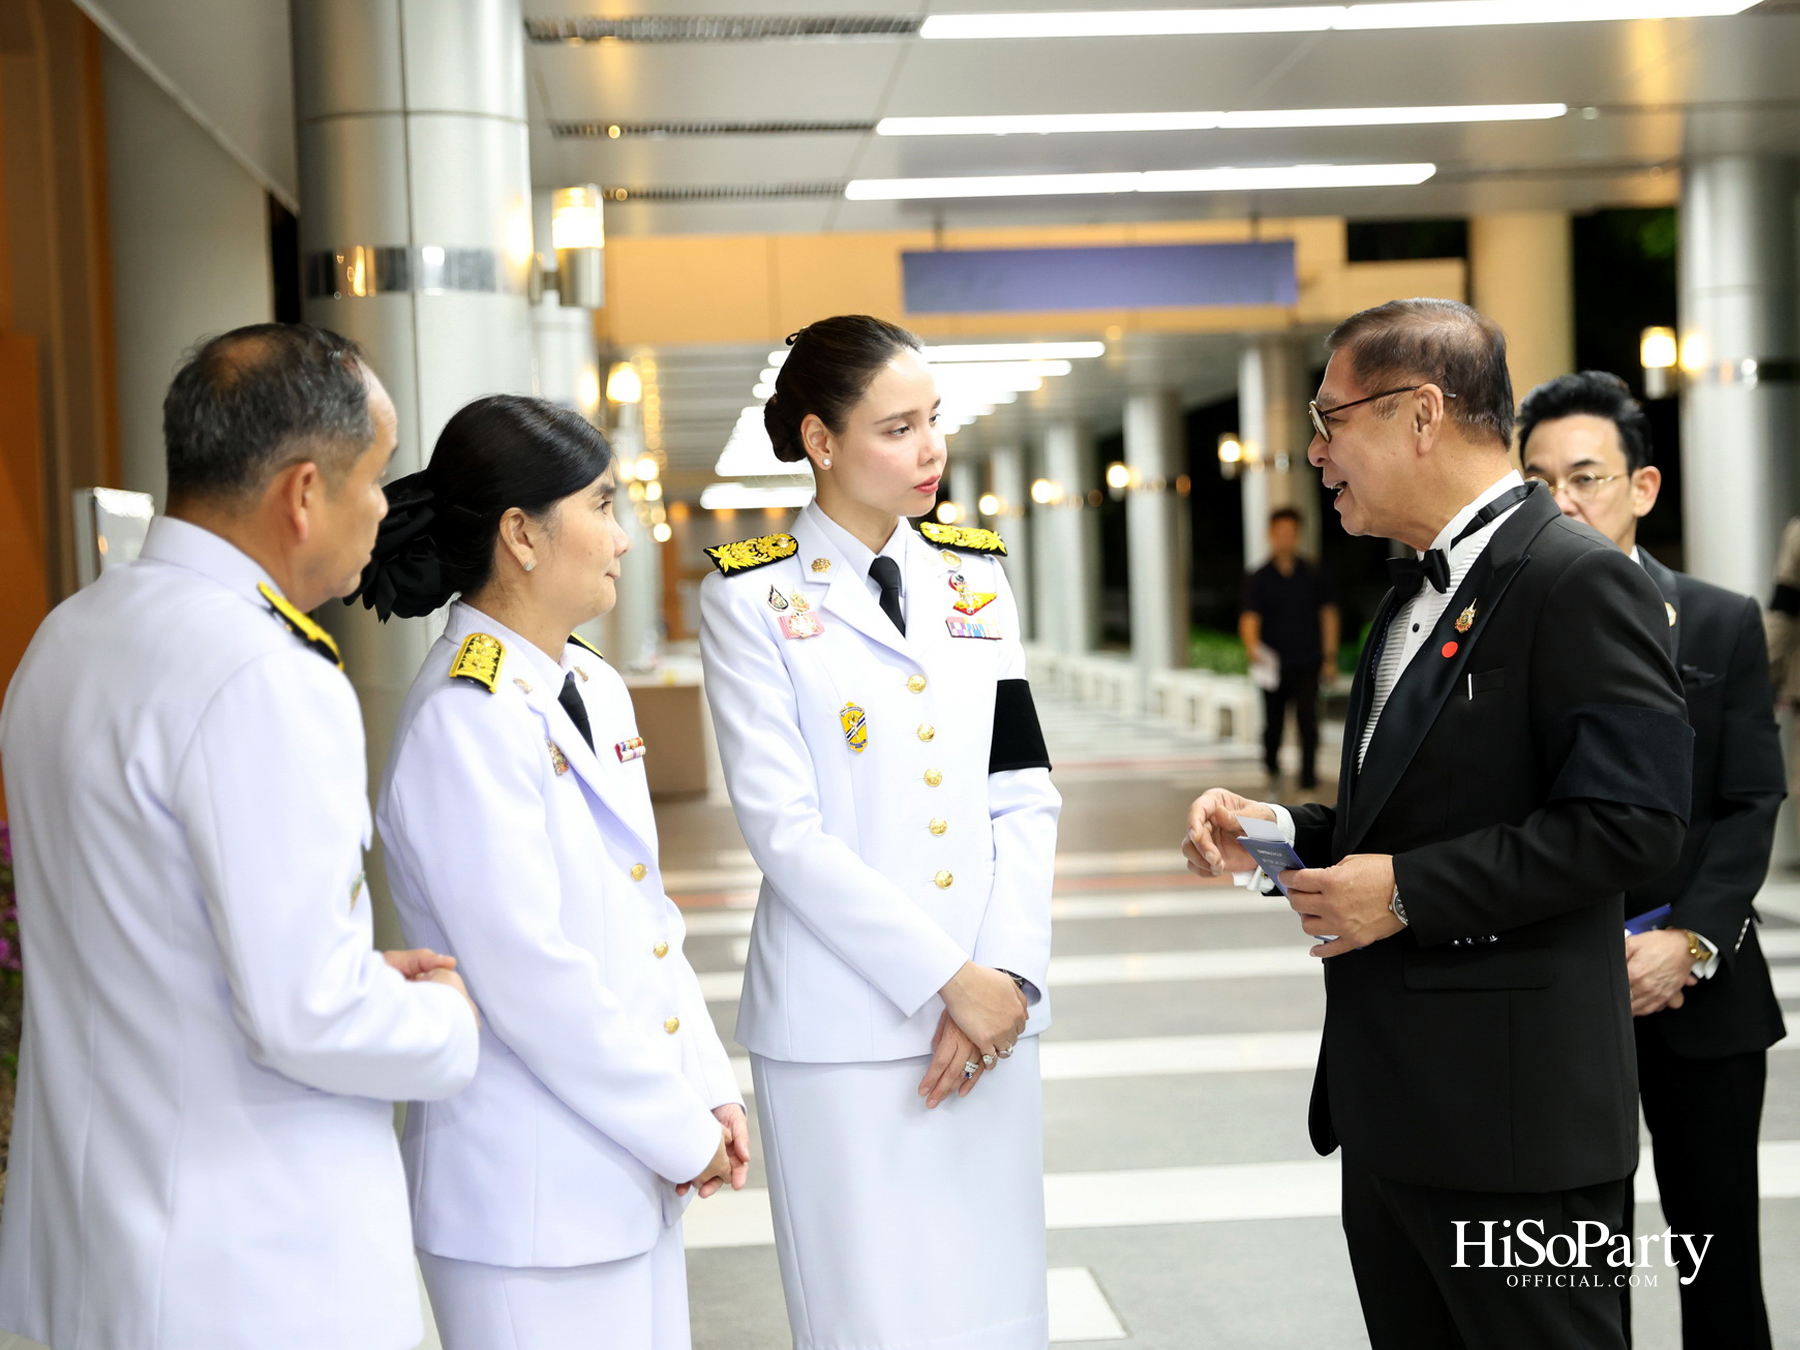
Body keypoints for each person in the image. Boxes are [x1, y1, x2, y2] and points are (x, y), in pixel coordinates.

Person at [1185, 300, 1692, 1350]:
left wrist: (1409, 892)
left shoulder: (1576, 578)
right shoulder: (1410, 589)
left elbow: (1633, 826)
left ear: (1421, 414)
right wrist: (1287, 831)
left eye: (1330, 420)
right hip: (1394, 1120)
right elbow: (1428, 808)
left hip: (1517, 1130)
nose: (1315, 453)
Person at [0, 324, 481, 1349]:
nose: (384, 507)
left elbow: (152, 936)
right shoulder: (265, 674)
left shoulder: (67, 637)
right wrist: (448, 1019)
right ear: (303, 493)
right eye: (375, 476)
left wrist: (346, 969)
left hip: (100, 1252)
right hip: (254, 1266)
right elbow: (307, 1015)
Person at [698, 315, 1059, 1350]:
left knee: (994, 1311)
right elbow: (786, 832)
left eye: (933, 419)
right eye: (897, 428)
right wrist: (952, 980)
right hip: (841, 1031)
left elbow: (1021, 788)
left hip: (991, 1022)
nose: (931, 448)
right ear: (821, 440)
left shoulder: (975, 577)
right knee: (871, 1317)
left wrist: (1006, 979)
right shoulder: (750, 599)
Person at [355, 395, 744, 1350]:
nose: (623, 537)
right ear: (522, 535)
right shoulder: (465, 716)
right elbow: (529, 973)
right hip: (524, 1199)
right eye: (602, 505)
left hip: (623, 1161)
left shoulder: (590, 684)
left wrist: (705, 1083)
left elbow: (646, 915)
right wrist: (678, 1127)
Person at [1519, 371, 1787, 1350]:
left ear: (1642, 486)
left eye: (1585, 476)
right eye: (1538, 481)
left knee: (1718, 1262)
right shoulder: (1505, 630)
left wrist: (1693, 942)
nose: (1562, 502)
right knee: (1578, 1274)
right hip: (1560, 996)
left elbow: (1750, 800)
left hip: (1702, 1000)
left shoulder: (1719, 621)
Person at [1240, 506, 1339, 788]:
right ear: (1271, 534)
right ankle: (1272, 766)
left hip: (1308, 659)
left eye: (1291, 532)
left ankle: (1308, 778)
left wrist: (1329, 657)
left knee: (1308, 720)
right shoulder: (1258, 577)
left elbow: (1328, 615)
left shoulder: (1315, 572)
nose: (1286, 538)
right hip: (1273, 663)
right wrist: (1252, 649)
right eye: (1280, 532)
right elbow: (1249, 617)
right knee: (1274, 723)